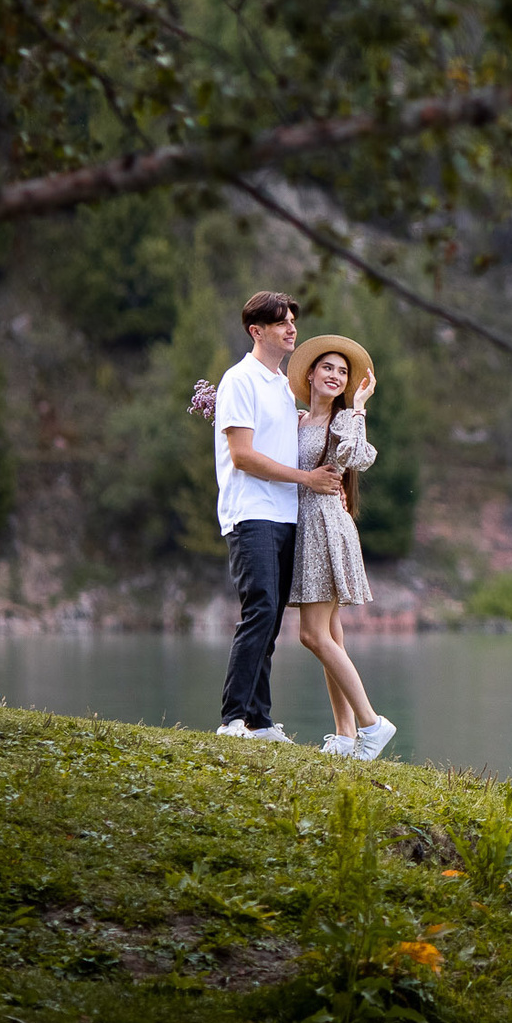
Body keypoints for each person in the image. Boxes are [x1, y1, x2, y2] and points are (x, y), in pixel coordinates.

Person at [212, 291, 344, 741]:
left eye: (292, 321)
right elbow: (243, 456)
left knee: (271, 618)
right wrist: (307, 481)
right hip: (250, 512)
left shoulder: (284, 389)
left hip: (286, 515)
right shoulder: (239, 380)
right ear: (257, 331)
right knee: (261, 608)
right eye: (281, 322)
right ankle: (232, 719)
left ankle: (260, 719)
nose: (291, 328)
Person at [287, 335, 396, 760]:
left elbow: (356, 456)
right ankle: (346, 735)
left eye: (343, 371)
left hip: (326, 527)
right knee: (330, 634)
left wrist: (359, 407)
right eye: (328, 368)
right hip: (305, 528)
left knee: (313, 634)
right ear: (310, 374)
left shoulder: (340, 421)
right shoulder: (296, 420)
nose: (335, 375)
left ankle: (372, 723)